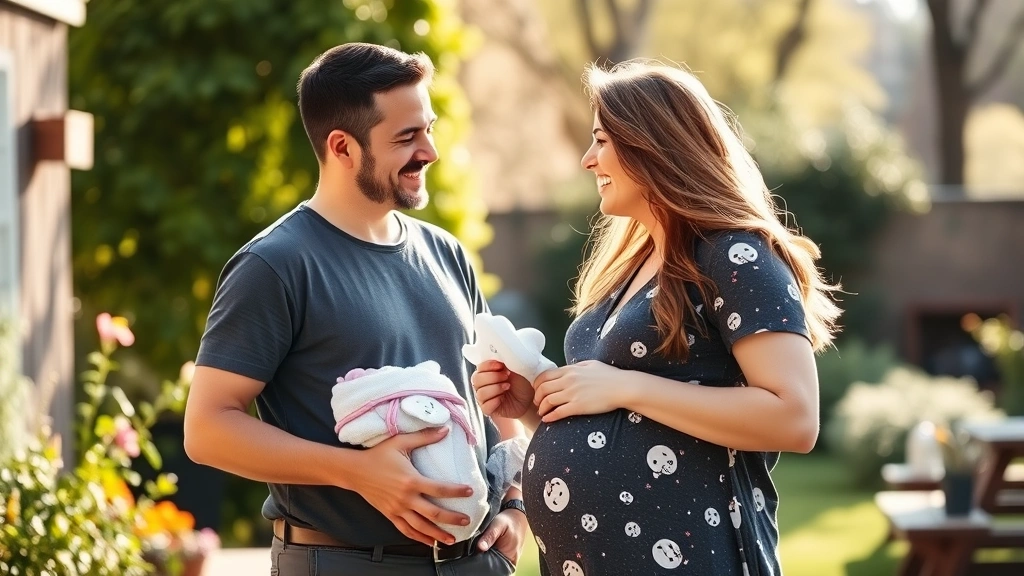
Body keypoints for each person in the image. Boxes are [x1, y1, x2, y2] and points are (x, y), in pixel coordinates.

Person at [472, 61, 841, 576]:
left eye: (601, 140)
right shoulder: (633, 268)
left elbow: (795, 418)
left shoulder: (735, 255)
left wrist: (624, 387)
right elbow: (625, 426)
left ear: (652, 144)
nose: (587, 159)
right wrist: (537, 407)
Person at [183, 43, 527, 576]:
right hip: (345, 562)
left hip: (475, 563)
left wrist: (514, 502)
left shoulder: (448, 252)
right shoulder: (274, 265)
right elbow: (207, 429)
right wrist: (356, 472)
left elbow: (493, 388)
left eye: (428, 128)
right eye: (407, 137)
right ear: (342, 147)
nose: (430, 151)